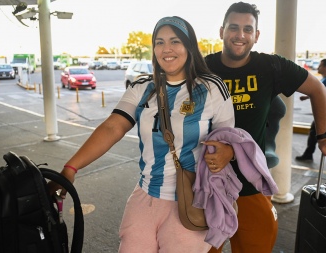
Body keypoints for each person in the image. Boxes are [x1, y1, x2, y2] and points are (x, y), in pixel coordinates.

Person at [49, 16, 235, 252]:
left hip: (191, 201)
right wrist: (70, 168)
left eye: (175, 41)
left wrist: (227, 151)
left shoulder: (211, 88)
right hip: (145, 195)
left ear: (189, 46)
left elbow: (229, 139)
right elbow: (113, 127)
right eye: (159, 42)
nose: (166, 48)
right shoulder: (141, 87)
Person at [202, 2, 326, 253]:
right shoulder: (202, 69)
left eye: (247, 29)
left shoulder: (271, 66)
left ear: (256, 35)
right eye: (233, 27)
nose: (240, 35)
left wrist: (322, 136)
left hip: (251, 184)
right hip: (208, 186)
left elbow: (317, 89)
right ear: (222, 31)